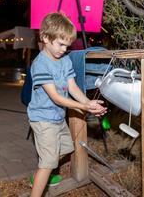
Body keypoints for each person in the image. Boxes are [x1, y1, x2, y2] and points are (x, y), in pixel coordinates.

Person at [27, 12, 107, 197]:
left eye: (67, 45)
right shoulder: (41, 64)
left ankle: (42, 172)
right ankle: (41, 178)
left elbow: (72, 87)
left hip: (57, 117)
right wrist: (84, 108)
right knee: (48, 162)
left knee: (67, 149)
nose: (64, 49)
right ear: (45, 38)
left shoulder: (64, 60)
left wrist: (88, 102)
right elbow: (56, 97)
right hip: (42, 119)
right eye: (60, 44)